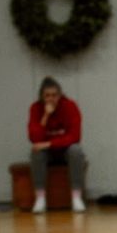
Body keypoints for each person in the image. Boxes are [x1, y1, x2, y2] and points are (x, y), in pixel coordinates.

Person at [26, 77, 86, 213]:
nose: (51, 99)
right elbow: (34, 138)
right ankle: (40, 198)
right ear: (42, 97)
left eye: (54, 95)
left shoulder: (70, 106)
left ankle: (76, 196)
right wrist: (45, 116)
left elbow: (75, 137)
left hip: (65, 150)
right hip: (47, 153)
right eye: (47, 96)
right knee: (36, 152)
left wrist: (49, 143)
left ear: (60, 95)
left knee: (76, 151)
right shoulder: (35, 108)